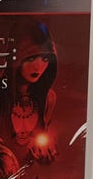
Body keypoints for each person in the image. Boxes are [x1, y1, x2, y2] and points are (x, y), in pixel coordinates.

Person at [5, 19, 58, 163]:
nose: (38, 67)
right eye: (31, 58)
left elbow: (41, 141)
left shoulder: (48, 98)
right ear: (15, 57)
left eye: (45, 58)